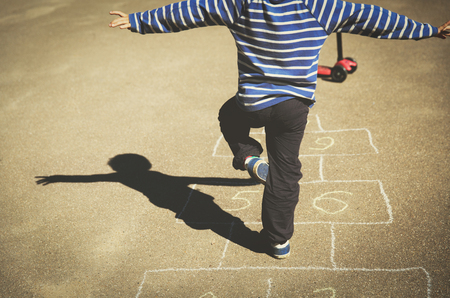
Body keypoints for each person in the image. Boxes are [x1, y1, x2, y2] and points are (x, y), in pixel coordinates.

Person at [109, 0, 450, 259]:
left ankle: (248, 158)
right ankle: (277, 241)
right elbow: (376, 19)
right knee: (285, 172)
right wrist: (430, 30)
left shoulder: (240, 4)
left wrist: (139, 21)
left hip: (252, 103)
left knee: (228, 115)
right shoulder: (323, 7)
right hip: (292, 108)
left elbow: (191, 12)